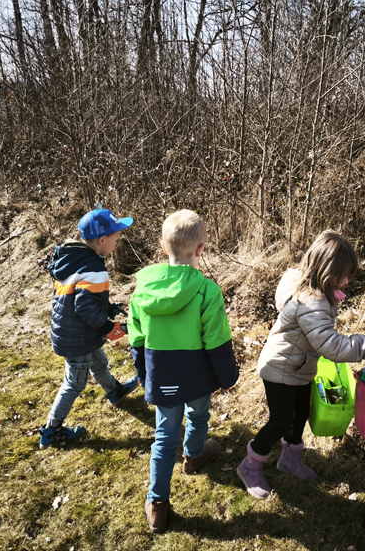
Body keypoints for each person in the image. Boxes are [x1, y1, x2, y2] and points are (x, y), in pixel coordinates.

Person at [237, 230, 365, 499]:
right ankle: (250, 466)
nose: (347, 281)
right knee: (280, 421)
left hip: (298, 368)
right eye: (343, 274)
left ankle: (289, 461)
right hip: (280, 369)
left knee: (300, 412)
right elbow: (330, 345)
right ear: (326, 270)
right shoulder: (311, 301)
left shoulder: (315, 292)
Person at [127, 209, 238, 534]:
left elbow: (137, 340)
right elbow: (217, 342)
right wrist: (227, 377)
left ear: (164, 247)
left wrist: (144, 376)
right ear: (201, 249)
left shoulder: (142, 290)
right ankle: (193, 456)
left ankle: (157, 503)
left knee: (164, 435)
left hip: (162, 375)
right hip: (197, 377)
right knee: (199, 415)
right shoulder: (207, 291)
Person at [40, 207, 139, 449]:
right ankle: (51, 431)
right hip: (77, 335)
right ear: (102, 240)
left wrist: (107, 307)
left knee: (97, 360)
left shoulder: (74, 260)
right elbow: (84, 306)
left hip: (71, 331)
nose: (118, 242)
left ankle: (113, 390)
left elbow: (79, 297)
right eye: (116, 238)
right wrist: (108, 326)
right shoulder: (94, 267)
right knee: (74, 383)